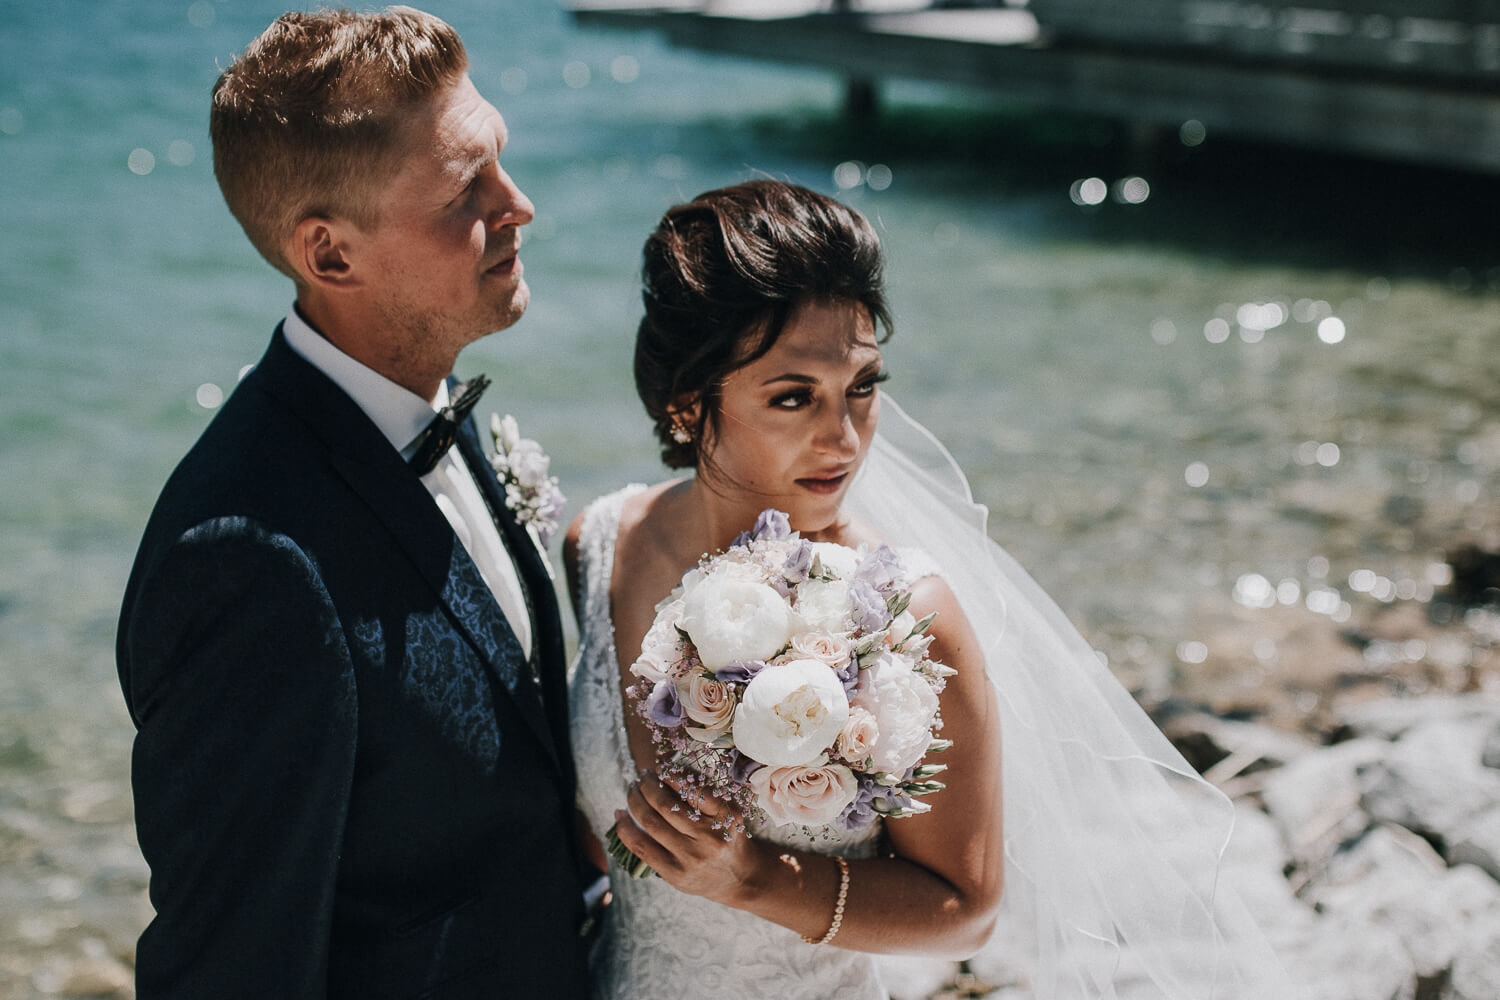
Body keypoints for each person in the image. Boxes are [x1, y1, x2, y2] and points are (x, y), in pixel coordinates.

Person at [565, 180, 1296, 998]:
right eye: (793, 396)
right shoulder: (600, 546)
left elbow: (966, 906)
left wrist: (753, 879)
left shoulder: (906, 617)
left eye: (863, 387)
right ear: (688, 404)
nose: (842, 437)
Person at [116, 8, 592, 997]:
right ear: (330, 255)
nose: (522, 205)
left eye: (500, 157)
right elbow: (229, 965)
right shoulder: (247, 566)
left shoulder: (425, 403)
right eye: (470, 189)